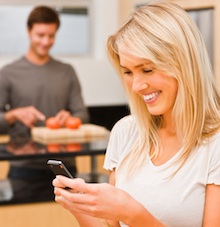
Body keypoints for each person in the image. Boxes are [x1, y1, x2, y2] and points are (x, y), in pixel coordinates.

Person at [52, 1, 220, 226]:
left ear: (183, 63)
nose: (137, 85)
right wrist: (82, 208)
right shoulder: (126, 131)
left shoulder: (214, 144)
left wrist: (132, 214)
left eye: (147, 69)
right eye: (128, 72)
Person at [0, 6, 89, 178]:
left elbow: (82, 114)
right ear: (28, 31)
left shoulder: (67, 71)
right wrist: (15, 114)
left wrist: (71, 119)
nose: (46, 41)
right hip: (24, 166)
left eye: (51, 36)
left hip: (64, 164)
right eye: (40, 35)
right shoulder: (8, 72)